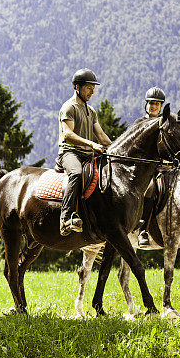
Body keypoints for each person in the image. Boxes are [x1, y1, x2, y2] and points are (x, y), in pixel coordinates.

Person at [57, 69, 112, 236]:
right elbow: (68, 135)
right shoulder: (69, 107)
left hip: (88, 154)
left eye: (93, 88)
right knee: (76, 173)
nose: (92, 91)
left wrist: (116, 149)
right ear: (77, 87)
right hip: (70, 153)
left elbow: (101, 135)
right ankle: (65, 219)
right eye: (89, 87)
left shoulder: (91, 111)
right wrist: (91, 143)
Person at [136, 87, 166, 246]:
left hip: (163, 168)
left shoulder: (166, 124)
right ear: (146, 104)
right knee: (149, 188)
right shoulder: (140, 123)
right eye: (150, 103)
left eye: (156, 104)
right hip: (143, 169)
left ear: (161, 106)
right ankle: (143, 230)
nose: (153, 106)